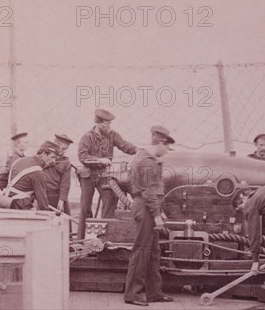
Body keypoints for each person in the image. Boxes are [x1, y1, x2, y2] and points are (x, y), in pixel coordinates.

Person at [124, 138, 173, 306]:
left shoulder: (150, 161)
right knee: (142, 251)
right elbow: (148, 191)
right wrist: (157, 215)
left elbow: (153, 190)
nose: (167, 150)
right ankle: (133, 294)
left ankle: (154, 292)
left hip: (149, 207)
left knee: (153, 252)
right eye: (166, 146)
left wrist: (160, 212)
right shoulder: (146, 162)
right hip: (145, 208)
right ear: (159, 143)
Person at [77, 109, 138, 238]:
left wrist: (136, 149)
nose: (109, 127)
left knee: (110, 201)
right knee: (85, 207)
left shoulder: (112, 134)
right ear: (98, 123)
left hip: (104, 176)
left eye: (110, 124)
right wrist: (99, 160)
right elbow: (82, 156)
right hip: (88, 176)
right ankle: (82, 240)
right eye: (106, 124)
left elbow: (123, 145)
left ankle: (104, 237)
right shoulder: (87, 137)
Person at [3, 141, 59, 211]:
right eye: (52, 157)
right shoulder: (38, 172)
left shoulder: (20, 160)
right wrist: (48, 213)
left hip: (5, 199)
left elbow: (1, 179)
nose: (54, 161)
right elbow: (42, 203)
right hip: (21, 205)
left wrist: (10, 194)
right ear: (44, 154)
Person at [44, 134, 73, 215]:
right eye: (63, 149)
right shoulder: (44, 155)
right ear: (55, 144)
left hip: (58, 195)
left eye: (65, 149)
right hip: (43, 194)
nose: (64, 152)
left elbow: (65, 184)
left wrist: (61, 200)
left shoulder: (66, 163)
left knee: (67, 219)